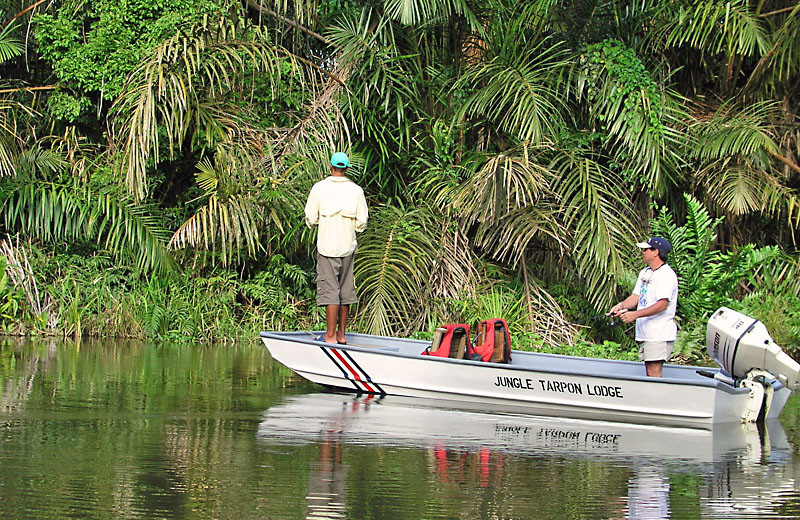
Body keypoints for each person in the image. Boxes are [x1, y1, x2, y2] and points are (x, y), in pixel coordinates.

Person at [304, 152, 368, 344]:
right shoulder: (356, 191)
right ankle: (341, 335)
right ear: (347, 169)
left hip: (327, 248)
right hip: (348, 247)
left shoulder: (319, 188)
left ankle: (329, 336)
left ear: (330, 167)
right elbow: (362, 222)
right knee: (345, 290)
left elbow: (311, 218)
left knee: (331, 290)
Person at [609, 237, 678, 378]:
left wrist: (635, 315)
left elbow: (662, 305)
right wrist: (621, 306)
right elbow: (636, 297)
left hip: (659, 333)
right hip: (646, 333)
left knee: (653, 372)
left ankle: (657, 399)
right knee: (649, 371)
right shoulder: (645, 273)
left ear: (655, 252)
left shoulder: (666, 275)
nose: (643, 252)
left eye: (646, 249)